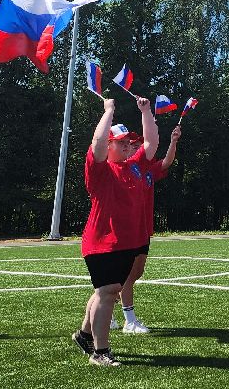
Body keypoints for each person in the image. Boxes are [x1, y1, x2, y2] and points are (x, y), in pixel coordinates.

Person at [73, 95, 159, 366]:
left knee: (105, 291)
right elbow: (96, 144)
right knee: (108, 291)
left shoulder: (133, 166)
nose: (126, 145)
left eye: (126, 142)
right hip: (102, 243)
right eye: (120, 142)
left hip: (124, 244)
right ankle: (100, 352)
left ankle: (85, 335)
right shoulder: (100, 171)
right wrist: (108, 111)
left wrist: (145, 112)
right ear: (109, 145)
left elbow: (151, 143)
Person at [112, 122, 179, 334]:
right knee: (126, 275)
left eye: (136, 143)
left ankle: (106, 312)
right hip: (128, 230)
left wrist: (173, 141)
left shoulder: (146, 169)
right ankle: (129, 321)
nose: (136, 146)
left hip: (143, 228)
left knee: (133, 273)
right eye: (131, 144)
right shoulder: (123, 169)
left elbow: (167, 162)